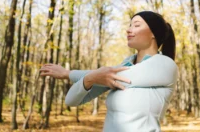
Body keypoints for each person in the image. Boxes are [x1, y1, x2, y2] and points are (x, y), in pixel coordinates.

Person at [40, 11, 178, 132]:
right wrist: (89, 79)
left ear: (153, 33)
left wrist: (68, 74)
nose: (128, 30)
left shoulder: (164, 64)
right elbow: (71, 100)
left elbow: (111, 76)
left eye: (136, 25)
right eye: (129, 25)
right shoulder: (124, 66)